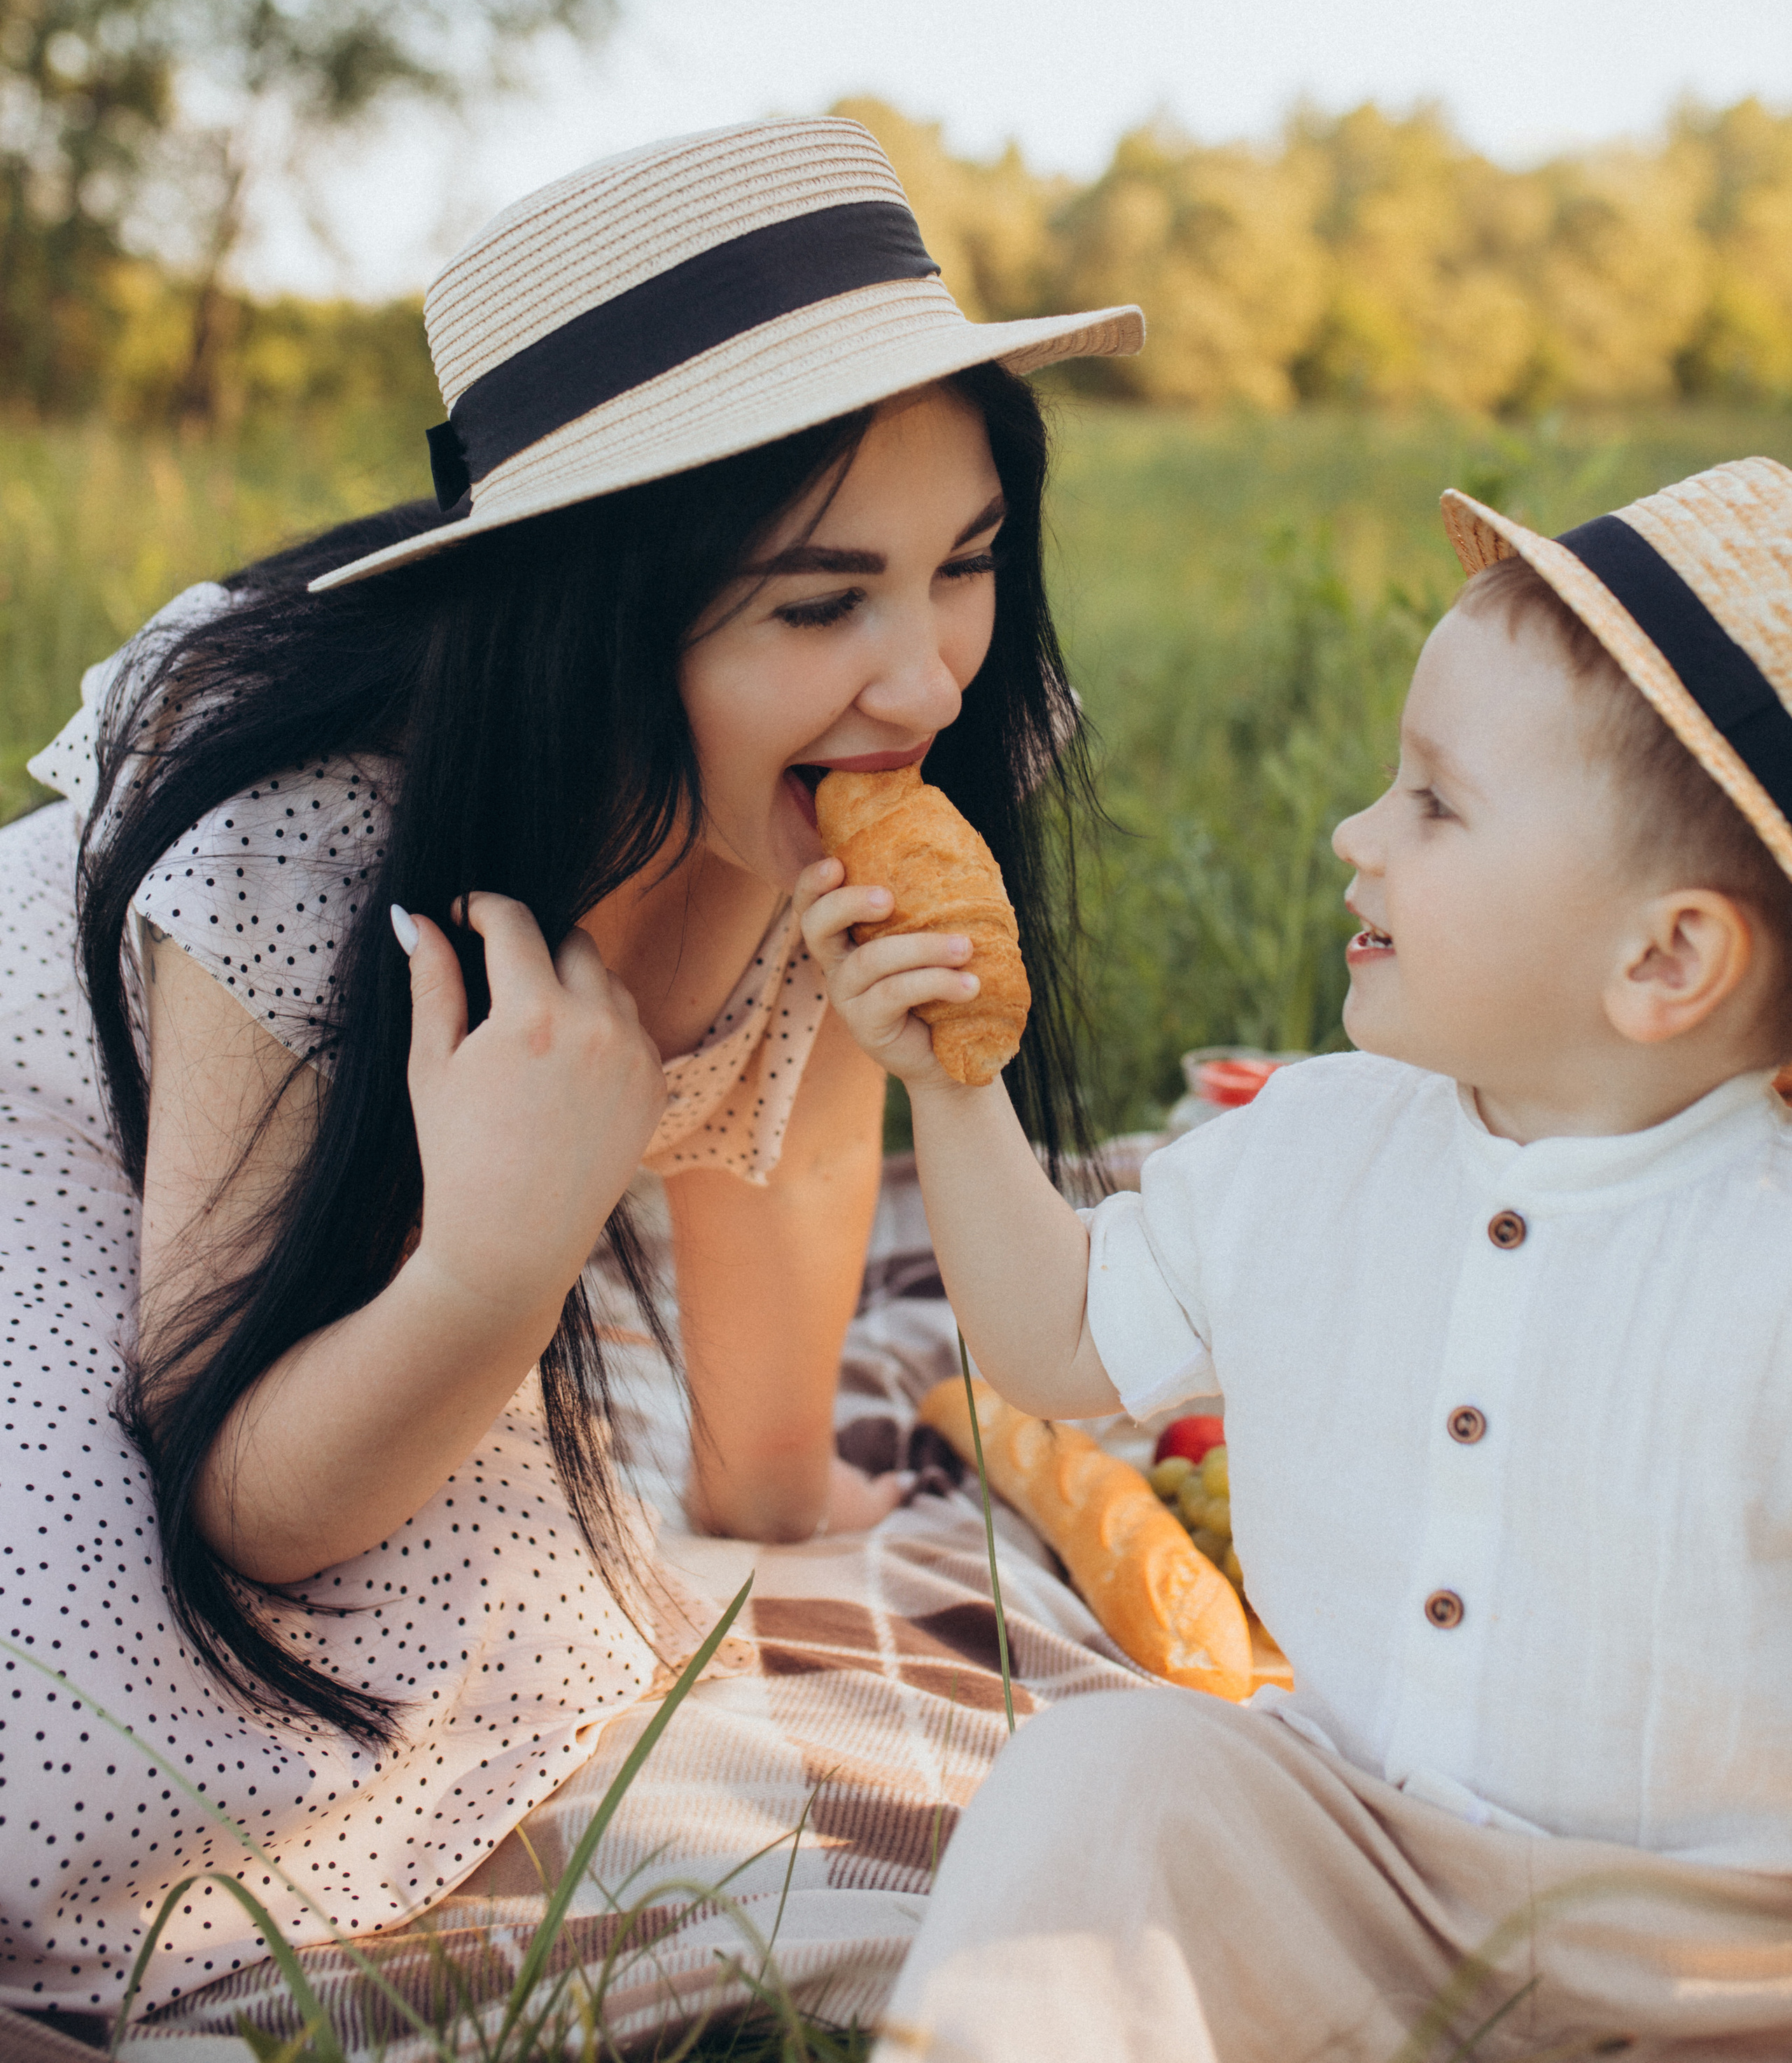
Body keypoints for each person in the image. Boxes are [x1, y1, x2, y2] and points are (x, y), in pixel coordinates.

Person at [0, 112, 1143, 2027]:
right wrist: (486, 1273)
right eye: (817, 601)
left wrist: (778, 1491)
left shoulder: (879, 760)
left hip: (397, 1238)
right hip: (67, 1152)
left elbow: (787, 1107)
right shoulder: (320, 841)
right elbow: (247, 1495)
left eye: (967, 564)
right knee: (126, 1730)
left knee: (533, 1614)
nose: (927, 679)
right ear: (595, 616)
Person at [802, 455, 1792, 2062]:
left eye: (1431, 802)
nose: (1355, 830)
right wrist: (949, 1080)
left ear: (1662, 956)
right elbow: (1057, 1345)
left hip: (1715, 1961)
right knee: (1103, 1777)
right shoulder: (1312, 1146)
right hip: (1355, 1873)